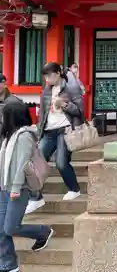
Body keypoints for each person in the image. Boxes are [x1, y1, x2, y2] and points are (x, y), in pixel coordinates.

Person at [0, 101, 54, 272]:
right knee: (1, 230)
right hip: (3, 188)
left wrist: (15, 188)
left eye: (4, 115)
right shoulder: (9, 135)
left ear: (11, 116)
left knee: (10, 227)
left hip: (18, 188)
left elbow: (22, 164)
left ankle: (43, 232)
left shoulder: (24, 136)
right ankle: (8, 265)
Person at [25, 62, 84, 215]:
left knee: (61, 162)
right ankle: (36, 197)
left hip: (65, 129)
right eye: (45, 76)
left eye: (49, 75)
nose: (47, 79)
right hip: (48, 130)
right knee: (36, 164)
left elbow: (79, 111)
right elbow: (42, 114)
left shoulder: (71, 87)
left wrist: (64, 104)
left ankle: (74, 189)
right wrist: (39, 132)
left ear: (58, 73)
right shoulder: (46, 90)